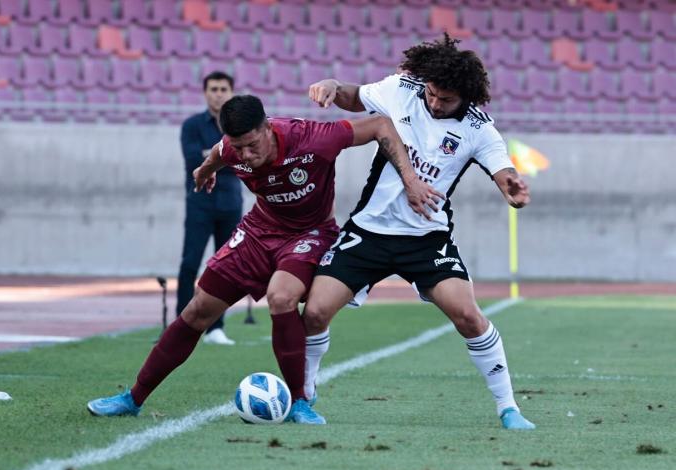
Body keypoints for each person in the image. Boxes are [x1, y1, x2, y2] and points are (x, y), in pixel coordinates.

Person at [87, 95, 439, 424]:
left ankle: (299, 401)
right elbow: (217, 153)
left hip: (309, 234)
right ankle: (132, 399)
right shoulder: (232, 148)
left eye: (252, 145)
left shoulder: (314, 138)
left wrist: (410, 180)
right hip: (258, 232)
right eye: (238, 148)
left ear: (269, 128)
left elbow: (380, 125)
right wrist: (205, 171)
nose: (246, 155)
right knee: (197, 310)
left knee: (281, 296)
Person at [303, 34, 536, 430]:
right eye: (431, 94)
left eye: (445, 99)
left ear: (466, 96)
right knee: (314, 312)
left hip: (427, 239)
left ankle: (508, 407)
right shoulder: (402, 89)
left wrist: (511, 187)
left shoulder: (479, 129)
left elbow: (503, 170)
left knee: (468, 316)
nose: (434, 103)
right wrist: (330, 85)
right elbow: (353, 95)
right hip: (369, 231)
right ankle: (303, 397)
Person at [177, 71, 241, 345]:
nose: (218, 93)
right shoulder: (191, 125)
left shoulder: (239, 126)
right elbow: (194, 160)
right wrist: (225, 154)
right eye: (213, 89)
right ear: (205, 93)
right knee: (190, 263)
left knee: (225, 267)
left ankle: (216, 327)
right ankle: (181, 326)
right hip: (200, 203)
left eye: (223, 88)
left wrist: (213, 156)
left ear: (231, 92)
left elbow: (245, 161)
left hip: (230, 204)